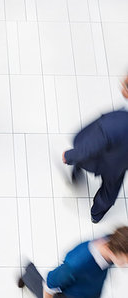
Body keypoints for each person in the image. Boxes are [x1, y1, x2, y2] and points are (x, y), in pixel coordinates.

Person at [62, 76, 128, 223]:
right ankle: (97, 214)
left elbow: (89, 148)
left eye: (124, 84)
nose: (121, 85)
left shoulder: (114, 124)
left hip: (98, 158)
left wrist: (69, 156)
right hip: (120, 165)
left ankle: (76, 176)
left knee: (82, 158)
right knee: (110, 189)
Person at [18, 226, 128, 298]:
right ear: (113, 252)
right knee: (41, 289)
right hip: (71, 294)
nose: (125, 265)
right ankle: (28, 275)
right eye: (125, 261)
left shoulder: (113, 240)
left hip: (90, 290)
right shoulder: (78, 264)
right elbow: (50, 284)